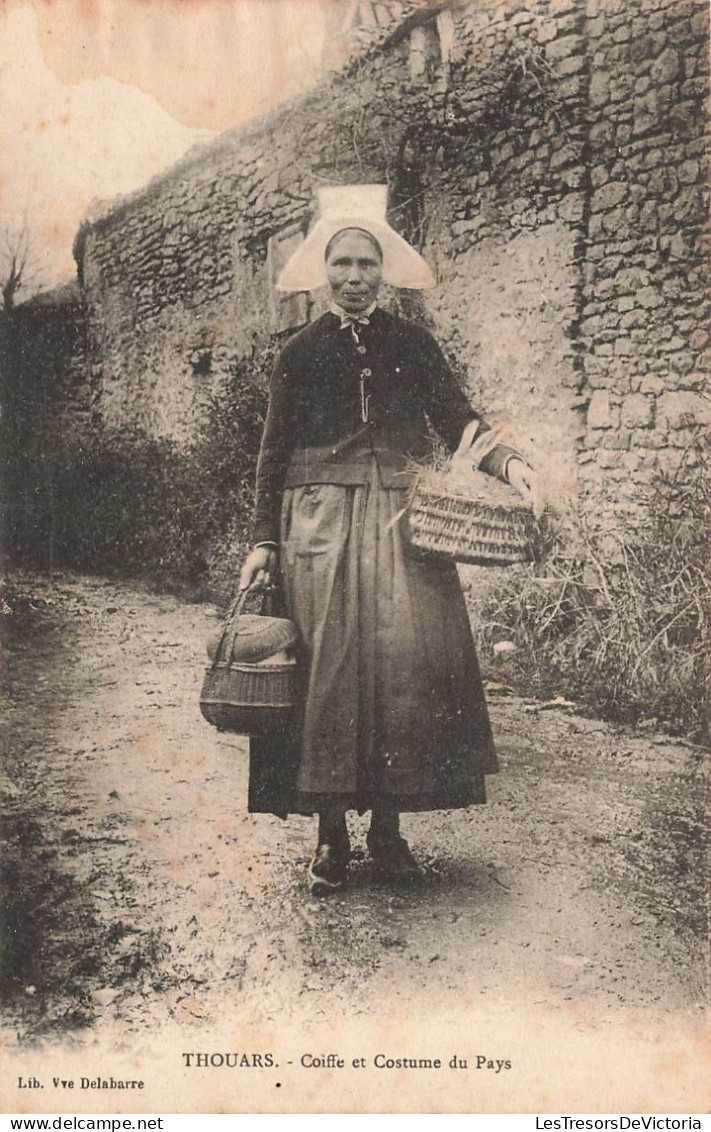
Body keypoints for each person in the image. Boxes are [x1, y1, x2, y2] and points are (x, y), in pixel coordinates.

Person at [239, 185, 540, 896]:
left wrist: (512, 464)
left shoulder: (413, 344)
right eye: (340, 263)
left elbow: (459, 421)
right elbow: (272, 451)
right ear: (323, 269)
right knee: (328, 675)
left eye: (364, 264)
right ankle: (329, 836)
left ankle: (389, 830)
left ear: (383, 270)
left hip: (407, 528)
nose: (352, 277)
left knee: (404, 672)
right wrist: (261, 541)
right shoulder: (299, 352)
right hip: (318, 528)